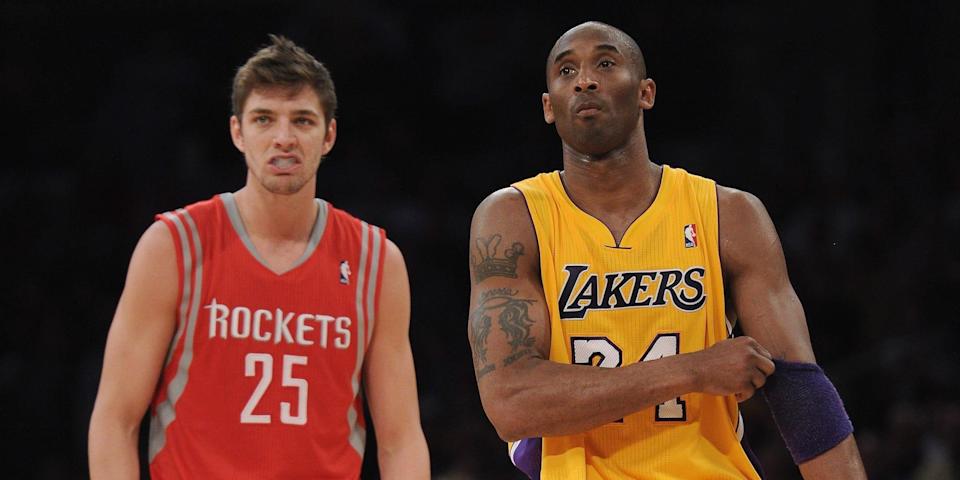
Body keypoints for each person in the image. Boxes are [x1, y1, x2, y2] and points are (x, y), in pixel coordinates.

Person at [467, 21, 866, 479]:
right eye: (566, 70)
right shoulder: (513, 219)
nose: (585, 79)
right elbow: (511, 403)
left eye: (605, 63)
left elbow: (803, 396)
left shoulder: (728, 214)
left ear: (645, 93)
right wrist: (693, 371)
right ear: (548, 107)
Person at [89, 35, 429, 479]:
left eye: (302, 121)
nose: (283, 138)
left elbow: (401, 439)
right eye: (264, 119)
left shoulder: (376, 262)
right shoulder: (173, 245)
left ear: (328, 135)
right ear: (238, 132)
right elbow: (115, 420)